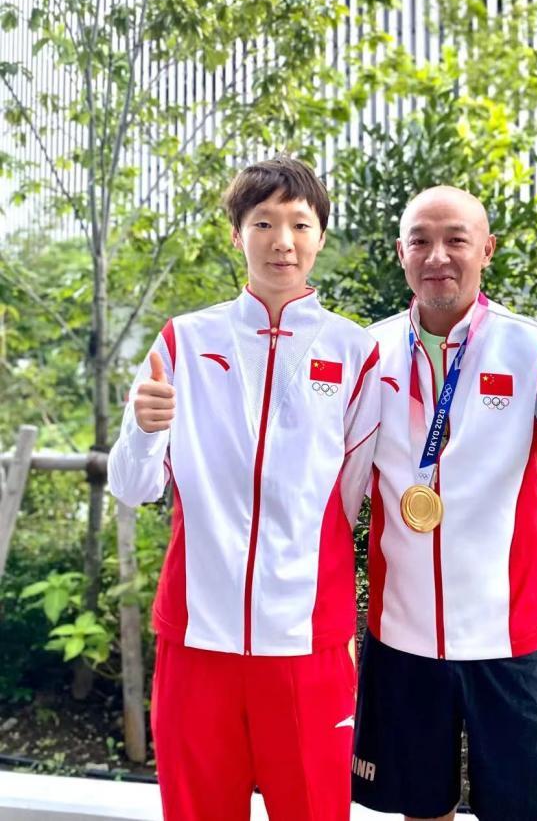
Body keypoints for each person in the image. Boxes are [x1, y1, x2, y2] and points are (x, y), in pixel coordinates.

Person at [351, 185, 537, 821]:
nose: (437, 256)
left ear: (487, 249)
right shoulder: (365, 354)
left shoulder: (533, 349)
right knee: (419, 810)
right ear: (400, 253)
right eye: (421, 241)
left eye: (456, 239)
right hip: (402, 641)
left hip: (513, 641)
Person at [108, 156, 380, 821]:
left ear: (320, 236)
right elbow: (133, 487)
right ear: (237, 234)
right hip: (197, 636)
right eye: (263, 222)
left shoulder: (355, 352)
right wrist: (144, 430)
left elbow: (349, 494)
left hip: (307, 643)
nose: (282, 240)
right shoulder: (184, 340)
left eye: (299, 224)